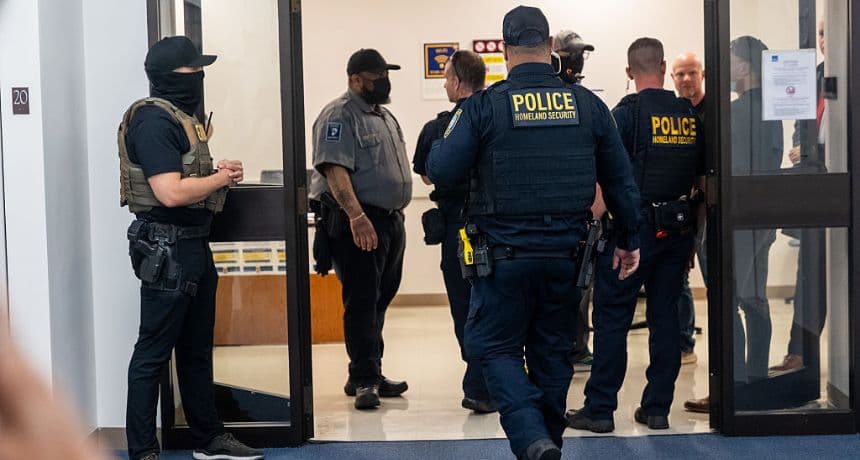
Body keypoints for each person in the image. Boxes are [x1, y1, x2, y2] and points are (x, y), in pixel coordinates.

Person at [428, 7, 642, 459]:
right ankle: (546, 443)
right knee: (553, 354)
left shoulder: (484, 106)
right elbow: (621, 181)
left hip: (503, 260)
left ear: (505, 51)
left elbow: (442, 170)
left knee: (494, 347)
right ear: (549, 48)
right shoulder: (588, 105)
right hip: (567, 259)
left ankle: (531, 437)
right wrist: (628, 240)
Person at [120, 36, 262, 460]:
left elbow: (183, 179)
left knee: (196, 349)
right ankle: (143, 450)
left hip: (191, 245)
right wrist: (221, 179)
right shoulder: (153, 121)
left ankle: (208, 438)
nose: (199, 77)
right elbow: (169, 193)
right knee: (153, 352)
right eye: (193, 70)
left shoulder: (180, 118)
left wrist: (216, 171)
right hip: (167, 249)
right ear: (169, 76)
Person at [568, 37, 705, 433]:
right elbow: (700, 178)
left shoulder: (625, 113)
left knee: (612, 318)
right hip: (677, 230)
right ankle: (657, 408)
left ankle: (600, 409)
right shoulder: (688, 114)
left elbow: (605, 174)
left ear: (629, 71)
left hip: (631, 233)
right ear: (663, 68)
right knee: (666, 318)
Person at [308, 48, 412, 410]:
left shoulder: (383, 116)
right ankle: (365, 379)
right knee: (362, 301)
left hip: (390, 221)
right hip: (360, 222)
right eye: (377, 76)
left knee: (380, 298)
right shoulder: (339, 115)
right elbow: (334, 170)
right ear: (355, 79)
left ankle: (369, 371)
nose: (384, 81)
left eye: (386, 74)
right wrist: (356, 216)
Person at [685, 36, 782, 413]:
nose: (721, 70)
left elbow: (717, 171)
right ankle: (754, 380)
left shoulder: (732, 113)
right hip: (763, 220)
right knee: (755, 299)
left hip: (733, 220)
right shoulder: (771, 112)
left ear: (743, 66)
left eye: (728, 61)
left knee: (727, 301)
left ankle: (731, 387)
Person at [412, 50, 496, 413]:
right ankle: (495, 380)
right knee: (497, 304)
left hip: (458, 231)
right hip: (498, 229)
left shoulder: (438, 128)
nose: (445, 84)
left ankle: (477, 382)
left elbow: (426, 174)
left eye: (446, 78)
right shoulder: (498, 118)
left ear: (458, 82)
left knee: (464, 306)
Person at [770, 19, 828, 373]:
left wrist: (814, 153)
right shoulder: (814, 76)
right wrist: (800, 149)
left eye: (827, 32)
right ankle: (800, 354)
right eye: (820, 33)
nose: (824, 39)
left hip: (843, 187)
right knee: (810, 276)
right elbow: (801, 124)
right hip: (816, 191)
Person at [553, 29, 598, 372]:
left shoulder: (586, 102)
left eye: (581, 55)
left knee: (581, 287)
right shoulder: (545, 99)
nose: (577, 62)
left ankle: (577, 348)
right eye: (571, 56)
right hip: (548, 214)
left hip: (581, 214)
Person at [671, 51, 707, 365]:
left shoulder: (715, 113)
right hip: (681, 209)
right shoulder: (673, 115)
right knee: (679, 276)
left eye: (691, 72)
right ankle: (684, 344)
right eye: (680, 74)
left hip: (710, 210)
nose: (686, 79)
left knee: (716, 283)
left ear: (702, 74)